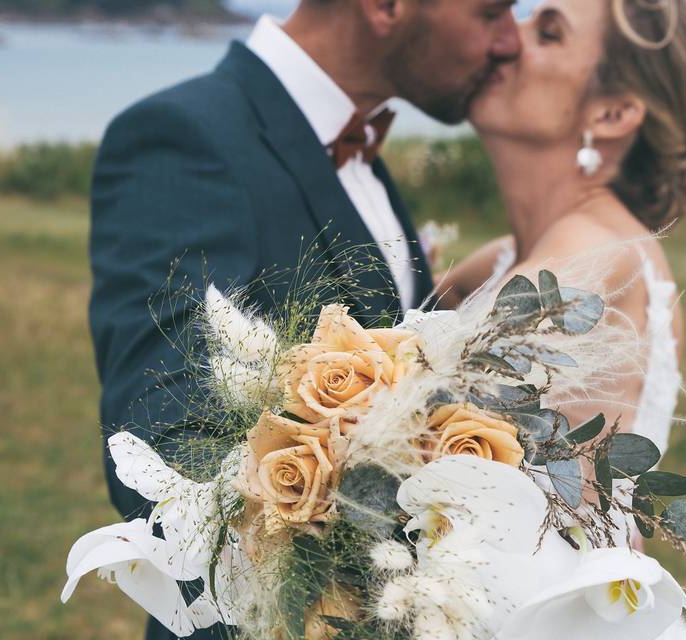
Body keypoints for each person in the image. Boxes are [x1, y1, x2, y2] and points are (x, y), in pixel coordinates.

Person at [88, 2, 521, 638]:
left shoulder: (355, 149)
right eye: (491, 11)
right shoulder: (184, 138)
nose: (510, 42)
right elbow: (168, 445)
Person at [438, 1, 686, 634]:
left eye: (547, 32)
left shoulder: (590, 263)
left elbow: (412, 422)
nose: (505, 39)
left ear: (614, 113)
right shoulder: (528, 255)